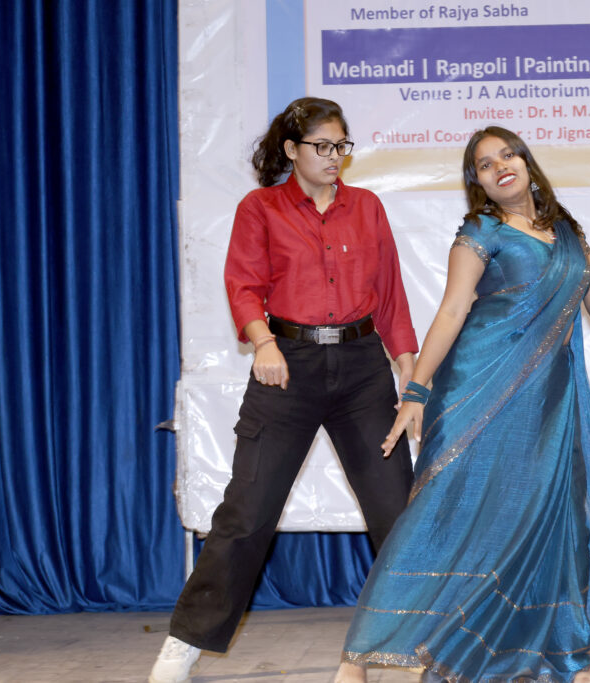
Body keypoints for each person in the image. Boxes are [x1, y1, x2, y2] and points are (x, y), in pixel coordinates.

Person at [334, 127, 590, 683]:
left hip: (550, 405)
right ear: (476, 181)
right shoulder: (481, 231)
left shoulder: (567, 230)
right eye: (484, 163)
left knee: (555, 521)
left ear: (526, 162)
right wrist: (417, 390)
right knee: (442, 520)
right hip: (477, 392)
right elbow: (452, 312)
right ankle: (355, 659)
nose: (499, 165)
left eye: (507, 154)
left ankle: (564, 658)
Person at [149, 97, 418, 683]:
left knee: (397, 510)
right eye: (322, 146)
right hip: (287, 365)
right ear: (293, 150)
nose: (334, 156)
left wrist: (409, 369)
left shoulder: (366, 207)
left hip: (362, 368)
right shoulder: (261, 208)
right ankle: (185, 641)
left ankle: (414, 640)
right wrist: (263, 343)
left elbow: (390, 291)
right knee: (247, 512)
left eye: (341, 145)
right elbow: (243, 284)